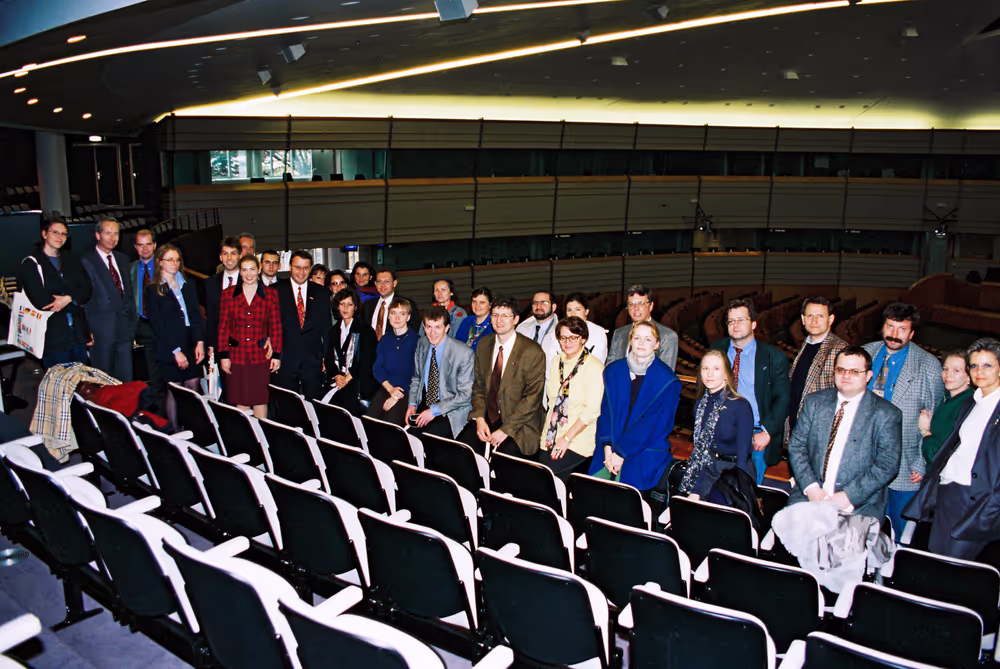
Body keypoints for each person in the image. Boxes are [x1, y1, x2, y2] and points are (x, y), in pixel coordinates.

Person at [905, 338, 1000, 563]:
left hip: (977, 501)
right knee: (935, 558)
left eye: (987, 365)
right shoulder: (972, 403)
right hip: (949, 493)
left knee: (956, 569)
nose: (979, 371)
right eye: (974, 365)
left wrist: (990, 508)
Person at [787, 346, 902, 520]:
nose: (846, 376)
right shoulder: (815, 402)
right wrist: (811, 488)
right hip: (809, 497)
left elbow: (887, 465)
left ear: (868, 376)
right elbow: (796, 447)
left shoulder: (886, 414)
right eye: (841, 370)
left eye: (854, 371)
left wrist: (847, 496)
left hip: (858, 506)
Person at [863, 302, 944, 540]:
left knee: (900, 531)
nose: (894, 334)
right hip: (864, 458)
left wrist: (922, 461)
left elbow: (934, 417)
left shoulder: (928, 365)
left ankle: (894, 573)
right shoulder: (865, 352)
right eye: (890, 326)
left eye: (901, 329)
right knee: (863, 527)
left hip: (905, 463)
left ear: (912, 333)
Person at [589, 321, 682, 511]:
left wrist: (621, 453)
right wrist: (607, 447)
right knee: (598, 507)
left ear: (657, 344)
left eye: (648, 339)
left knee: (630, 513)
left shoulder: (668, 381)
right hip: (609, 452)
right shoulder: (614, 371)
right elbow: (606, 413)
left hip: (642, 453)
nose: (641, 342)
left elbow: (654, 425)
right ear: (630, 341)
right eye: (637, 337)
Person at [710, 298, 790, 485]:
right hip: (719, 432)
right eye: (731, 321)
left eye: (741, 320)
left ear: (753, 323)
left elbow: (783, 397)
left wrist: (767, 432)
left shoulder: (773, 357)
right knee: (717, 490)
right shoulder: (717, 349)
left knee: (748, 494)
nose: (735, 325)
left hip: (755, 436)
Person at [462, 296, 546, 459]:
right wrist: (479, 417)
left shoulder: (532, 352)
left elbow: (532, 399)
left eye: (505, 316)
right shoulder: (484, 344)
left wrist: (505, 430)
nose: (499, 320)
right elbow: (478, 386)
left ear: (516, 319)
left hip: (520, 422)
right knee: (462, 453)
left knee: (502, 462)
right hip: (488, 416)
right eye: (495, 315)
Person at [680, 350, 755, 503]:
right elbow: (701, 452)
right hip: (709, 469)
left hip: (734, 473)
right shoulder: (701, 405)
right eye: (705, 368)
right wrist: (696, 490)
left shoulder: (740, 405)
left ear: (726, 374)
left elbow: (742, 457)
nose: (709, 374)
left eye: (716, 369)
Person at [538, 316, 604, 481]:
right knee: (538, 477)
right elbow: (552, 403)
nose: (567, 342)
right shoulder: (556, 362)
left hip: (577, 440)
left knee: (550, 480)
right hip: (551, 434)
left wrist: (566, 438)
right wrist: (546, 437)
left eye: (573, 337)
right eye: (563, 337)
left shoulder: (594, 366)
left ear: (583, 339)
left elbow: (591, 412)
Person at [145, 245, 205, 426]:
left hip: (190, 340)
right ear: (159, 263)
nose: (174, 263)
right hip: (169, 344)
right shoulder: (153, 289)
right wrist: (176, 351)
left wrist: (200, 341)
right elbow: (158, 324)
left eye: (177, 260)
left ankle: (193, 430)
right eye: (169, 259)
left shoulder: (188, 285)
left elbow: (195, 314)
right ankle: (177, 433)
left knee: (193, 387)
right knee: (175, 389)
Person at [19, 219, 91, 369]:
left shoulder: (72, 259)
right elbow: (41, 300)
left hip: (77, 334)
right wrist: (74, 299)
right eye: (55, 232)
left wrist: (67, 299)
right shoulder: (31, 263)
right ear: (44, 234)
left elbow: (87, 289)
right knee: (58, 386)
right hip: (52, 336)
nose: (60, 236)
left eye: (64, 233)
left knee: (81, 385)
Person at [217, 255, 282, 418]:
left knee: (260, 399)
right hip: (237, 356)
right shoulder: (228, 294)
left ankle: (263, 438)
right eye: (244, 270)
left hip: (260, 356)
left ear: (259, 270)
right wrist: (224, 355)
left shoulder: (270, 294)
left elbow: (276, 326)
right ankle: (246, 439)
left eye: (252, 269)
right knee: (241, 400)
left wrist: (277, 355)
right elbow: (223, 327)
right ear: (239, 271)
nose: (248, 274)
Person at [406, 305, 475, 439]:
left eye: (438, 327)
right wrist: (412, 404)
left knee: (428, 439)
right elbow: (416, 378)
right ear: (424, 327)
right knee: (407, 440)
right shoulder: (422, 344)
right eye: (428, 327)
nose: (432, 333)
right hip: (425, 402)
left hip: (451, 409)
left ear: (447, 327)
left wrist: (433, 411)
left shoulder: (463, 353)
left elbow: (465, 394)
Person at [80, 217, 136, 381]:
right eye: (108, 233)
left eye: (116, 234)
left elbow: (129, 295)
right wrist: (86, 330)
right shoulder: (85, 261)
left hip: (124, 330)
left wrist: (132, 325)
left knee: (126, 379)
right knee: (104, 380)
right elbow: (82, 299)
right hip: (100, 332)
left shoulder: (122, 259)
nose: (112, 238)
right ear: (98, 235)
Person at [273, 250, 331, 400]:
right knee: (287, 404)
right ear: (290, 267)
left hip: (313, 359)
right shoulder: (275, 291)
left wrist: (327, 356)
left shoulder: (321, 293)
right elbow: (271, 327)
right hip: (285, 359)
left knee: (314, 404)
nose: (301, 272)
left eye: (305, 268)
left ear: (310, 269)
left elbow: (326, 328)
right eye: (297, 267)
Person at [787, 297, 847, 437]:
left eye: (820, 316)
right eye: (810, 316)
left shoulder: (839, 350)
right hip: (798, 426)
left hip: (819, 431)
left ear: (831, 319)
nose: (814, 321)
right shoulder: (806, 344)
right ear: (803, 319)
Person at [366, 298, 419, 426]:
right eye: (393, 313)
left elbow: (416, 375)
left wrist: (396, 396)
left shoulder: (416, 341)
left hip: (407, 391)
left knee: (390, 423)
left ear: (408, 317)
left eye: (402, 313)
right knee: (369, 420)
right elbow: (378, 368)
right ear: (388, 316)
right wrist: (390, 390)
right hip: (388, 387)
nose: (397, 317)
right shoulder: (385, 339)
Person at [326, 287, 378, 416]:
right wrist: (336, 376)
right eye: (342, 304)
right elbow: (328, 358)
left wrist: (348, 377)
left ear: (355, 307)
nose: (345, 308)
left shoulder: (365, 330)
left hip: (358, 380)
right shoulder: (333, 331)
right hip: (339, 379)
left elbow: (368, 360)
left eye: (349, 304)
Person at [920, 350, 974, 467]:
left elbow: (936, 455)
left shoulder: (965, 407)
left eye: (956, 371)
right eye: (945, 369)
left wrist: (925, 431)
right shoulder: (946, 398)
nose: (948, 375)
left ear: (969, 376)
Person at [607, 284, 678, 370]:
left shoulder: (667, 336)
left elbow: (666, 375)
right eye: (631, 304)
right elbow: (610, 368)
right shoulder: (619, 333)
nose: (636, 308)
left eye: (641, 303)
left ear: (651, 306)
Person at [131, 229, 162, 410]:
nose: (145, 249)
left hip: (164, 326)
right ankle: (156, 412)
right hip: (143, 325)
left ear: (154, 245)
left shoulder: (164, 266)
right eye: (140, 245)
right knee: (151, 371)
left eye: (148, 244)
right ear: (135, 247)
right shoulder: (130, 269)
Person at [204, 236, 241, 370]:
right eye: (225, 254)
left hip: (246, 348)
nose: (229, 258)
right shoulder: (211, 283)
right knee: (226, 389)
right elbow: (211, 317)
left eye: (233, 253)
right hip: (220, 347)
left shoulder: (251, 281)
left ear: (240, 255)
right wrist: (210, 345)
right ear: (220, 257)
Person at [363, 268, 419, 338]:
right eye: (379, 281)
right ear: (375, 284)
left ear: (394, 283)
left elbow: (413, 331)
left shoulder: (406, 304)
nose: (382, 285)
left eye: (387, 281)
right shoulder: (368, 305)